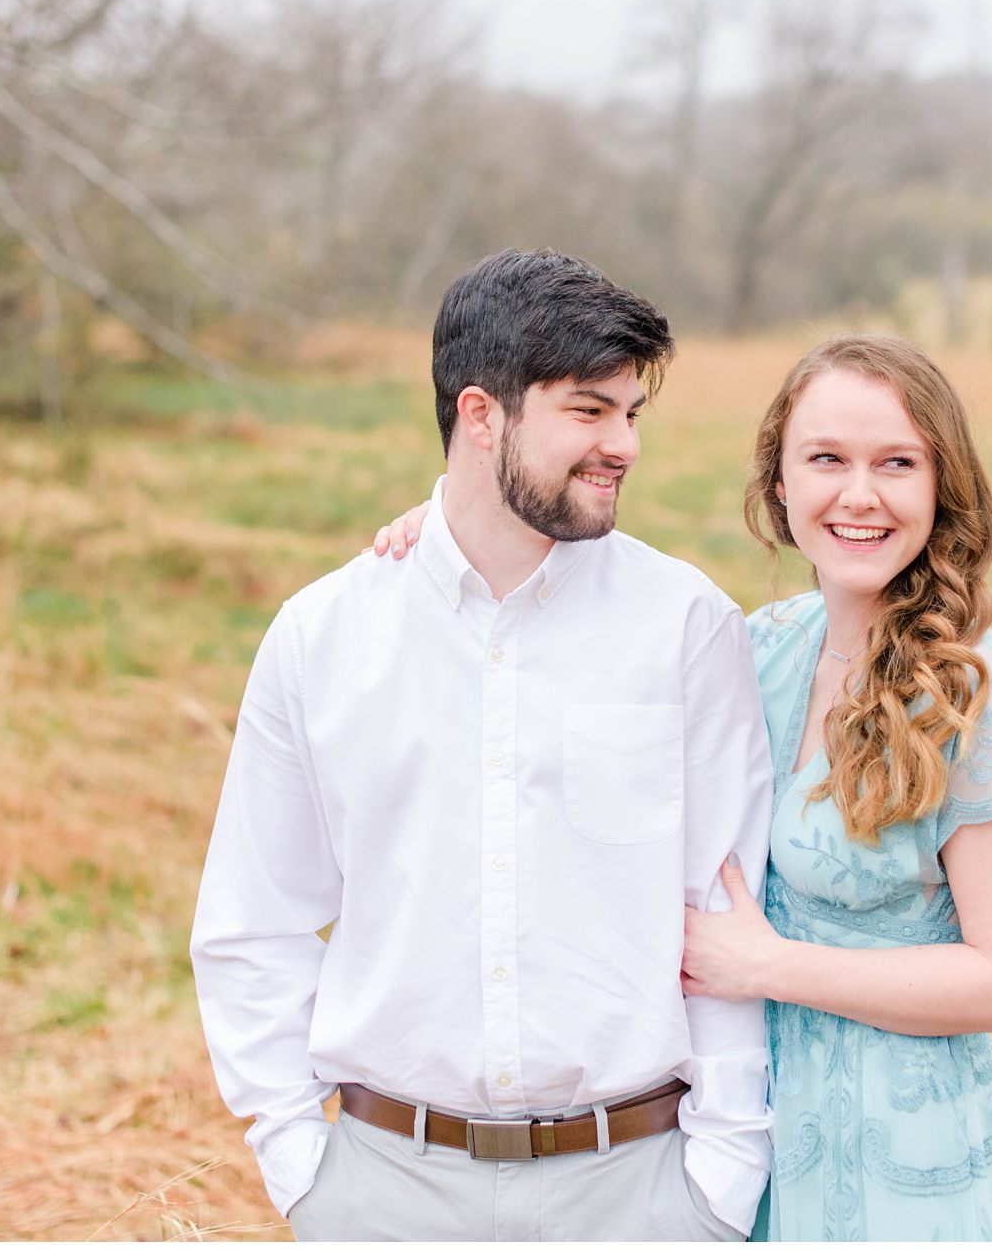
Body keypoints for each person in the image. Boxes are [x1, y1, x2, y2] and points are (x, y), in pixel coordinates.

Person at [376, 333, 992, 1241]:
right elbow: (594, 637)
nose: (858, 495)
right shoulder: (761, 648)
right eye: (826, 460)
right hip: (741, 1151)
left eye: (897, 463)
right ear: (779, 484)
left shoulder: (974, 688)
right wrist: (459, 533)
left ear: (942, 488)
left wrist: (771, 967)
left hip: (910, 1167)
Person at [190, 248, 775, 1242]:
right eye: (589, 411)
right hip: (384, 1189)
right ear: (479, 414)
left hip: (640, 1188)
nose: (624, 443)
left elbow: (724, 910)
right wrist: (301, 1165)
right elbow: (255, 922)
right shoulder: (324, 634)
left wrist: (719, 1182)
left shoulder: (683, 624)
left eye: (632, 413)